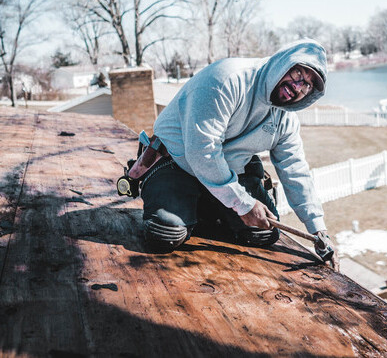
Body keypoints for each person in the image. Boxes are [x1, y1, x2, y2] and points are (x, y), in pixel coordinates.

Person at [140, 39, 339, 270]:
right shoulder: (227, 79)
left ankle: (208, 204)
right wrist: (242, 204)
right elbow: (201, 151)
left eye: (307, 85)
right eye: (297, 74)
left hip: (231, 169)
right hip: (177, 162)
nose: (298, 87)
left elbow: (294, 168)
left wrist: (318, 229)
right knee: (166, 232)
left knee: (262, 234)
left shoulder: (285, 119)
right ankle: (190, 204)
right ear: (283, 63)